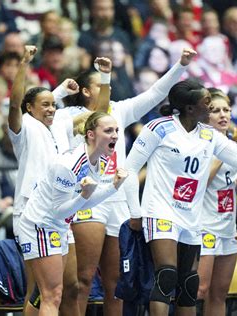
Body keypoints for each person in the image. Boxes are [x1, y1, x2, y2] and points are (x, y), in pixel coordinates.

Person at [63, 47, 197, 316]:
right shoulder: (72, 116)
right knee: (84, 279)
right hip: (89, 196)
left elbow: (156, 94)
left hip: (118, 198)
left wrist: (180, 65)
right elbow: (94, 119)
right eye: (99, 84)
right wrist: (106, 76)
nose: (106, 89)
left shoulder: (119, 110)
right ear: (88, 91)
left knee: (117, 283)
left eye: (107, 83)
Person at [125, 79, 237, 316]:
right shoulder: (159, 128)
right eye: (206, 102)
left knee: (189, 284)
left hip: (191, 217)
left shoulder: (209, 135)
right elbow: (128, 169)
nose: (210, 107)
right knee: (166, 275)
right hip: (160, 211)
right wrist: (135, 212)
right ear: (190, 108)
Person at [8, 45, 111, 316]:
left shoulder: (62, 125)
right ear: (29, 108)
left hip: (61, 213)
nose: (52, 109)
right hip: (33, 213)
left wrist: (106, 79)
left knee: (71, 285)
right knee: (41, 291)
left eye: (54, 104)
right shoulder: (23, 128)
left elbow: (98, 118)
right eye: (45, 105)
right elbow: (14, 102)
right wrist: (24, 62)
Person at [18, 111, 128, 316]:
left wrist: (114, 187)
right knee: (53, 295)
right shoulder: (69, 165)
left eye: (116, 130)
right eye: (108, 131)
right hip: (40, 224)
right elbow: (58, 211)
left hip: (58, 226)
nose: (114, 135)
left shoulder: (101, 161)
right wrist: (84, 196)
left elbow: (82, 203)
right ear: (91, 134)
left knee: (42, 294)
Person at [196, 88, 237, 316]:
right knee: (200, 290)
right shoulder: (200, 145)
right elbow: (200, 183)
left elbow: (232, 189)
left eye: (226, 110)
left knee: (220, 294)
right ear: (205, 115)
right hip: (204, 227)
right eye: (215, 110)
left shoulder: (235, 147)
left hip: (228, 227)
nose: (223, 115)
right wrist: (225, 147)